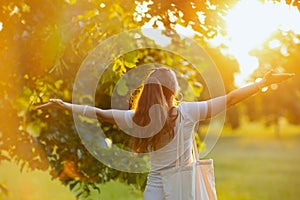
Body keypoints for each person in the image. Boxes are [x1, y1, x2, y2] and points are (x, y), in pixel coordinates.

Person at [36, 67, 294, 199]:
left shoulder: (137, 118)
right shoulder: (187, 113)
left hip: (156, 186)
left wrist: (64, 105)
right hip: (184, 185)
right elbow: (230, 99)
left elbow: (100, 113)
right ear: (172, 90)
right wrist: (262, 82)